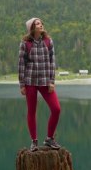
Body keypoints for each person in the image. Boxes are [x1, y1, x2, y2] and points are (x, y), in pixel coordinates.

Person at [18, 17, 62, 152]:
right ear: (31, 27)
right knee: (31, 112)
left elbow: (52, 63)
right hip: (30, 82)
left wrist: (52, 81)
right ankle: (34, 141)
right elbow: (21, 65)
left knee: (56, 109)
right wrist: (22, 84)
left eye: (41, 23)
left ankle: (49, 138)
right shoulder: (25, 44)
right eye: (37, 23)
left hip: (45, 82)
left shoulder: (49, 42)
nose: (41, 25)